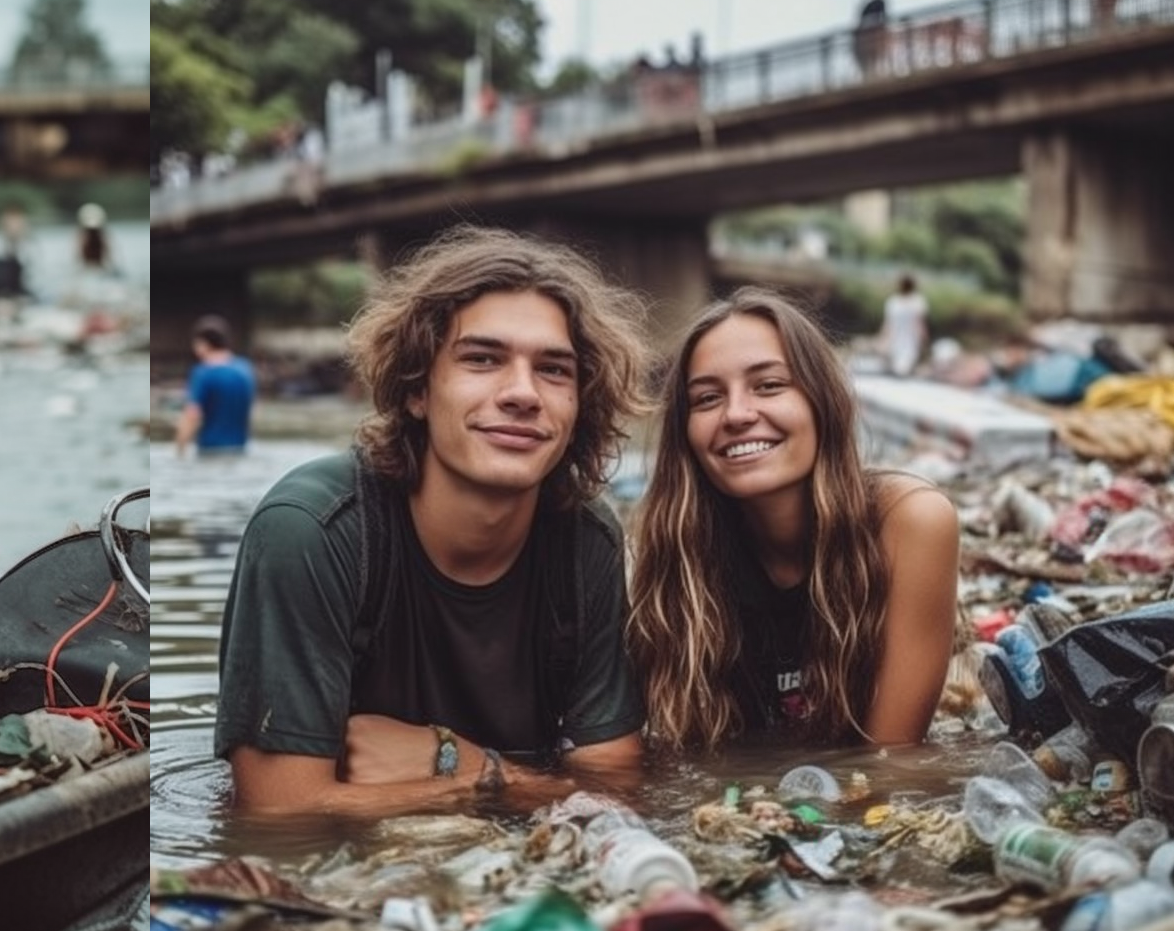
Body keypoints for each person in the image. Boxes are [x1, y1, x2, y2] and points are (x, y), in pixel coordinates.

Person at [214, 227, 648, 820]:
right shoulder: (310, 530)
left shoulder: (585, 538)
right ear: (418, 389)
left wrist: (466, 765)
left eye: (553, 370)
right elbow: (278, 815)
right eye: (482, 359)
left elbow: (619, 792)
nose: (522, 393)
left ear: (579, 405)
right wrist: (500, 785)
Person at [627, 287, 959, 750]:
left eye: (769, 386)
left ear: (822, 402)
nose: (737, 414)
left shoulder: (910, 521)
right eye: (706, 399)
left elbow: (892, 766)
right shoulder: (679, 547)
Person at [175, 315, 255, 455]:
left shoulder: (204, 373)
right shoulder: (245, 369)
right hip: (241, 448)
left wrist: (179, 450)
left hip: (210, 449)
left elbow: (192, 414)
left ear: (203, 344)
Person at [880, 273, 928, 378]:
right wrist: (924, 342)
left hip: (894, 341)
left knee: (896, 371)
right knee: (903, 371)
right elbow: (919, 325)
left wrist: (882, 340)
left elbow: (887, 325)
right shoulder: (917, 302)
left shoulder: (892, 302)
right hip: (909, 343)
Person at [855, 0, 893, 76]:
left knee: (869, 72)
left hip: (864, 44)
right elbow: (882, 22)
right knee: (872, 71)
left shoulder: (868, 4)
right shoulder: (878, 4)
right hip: (869, 44)